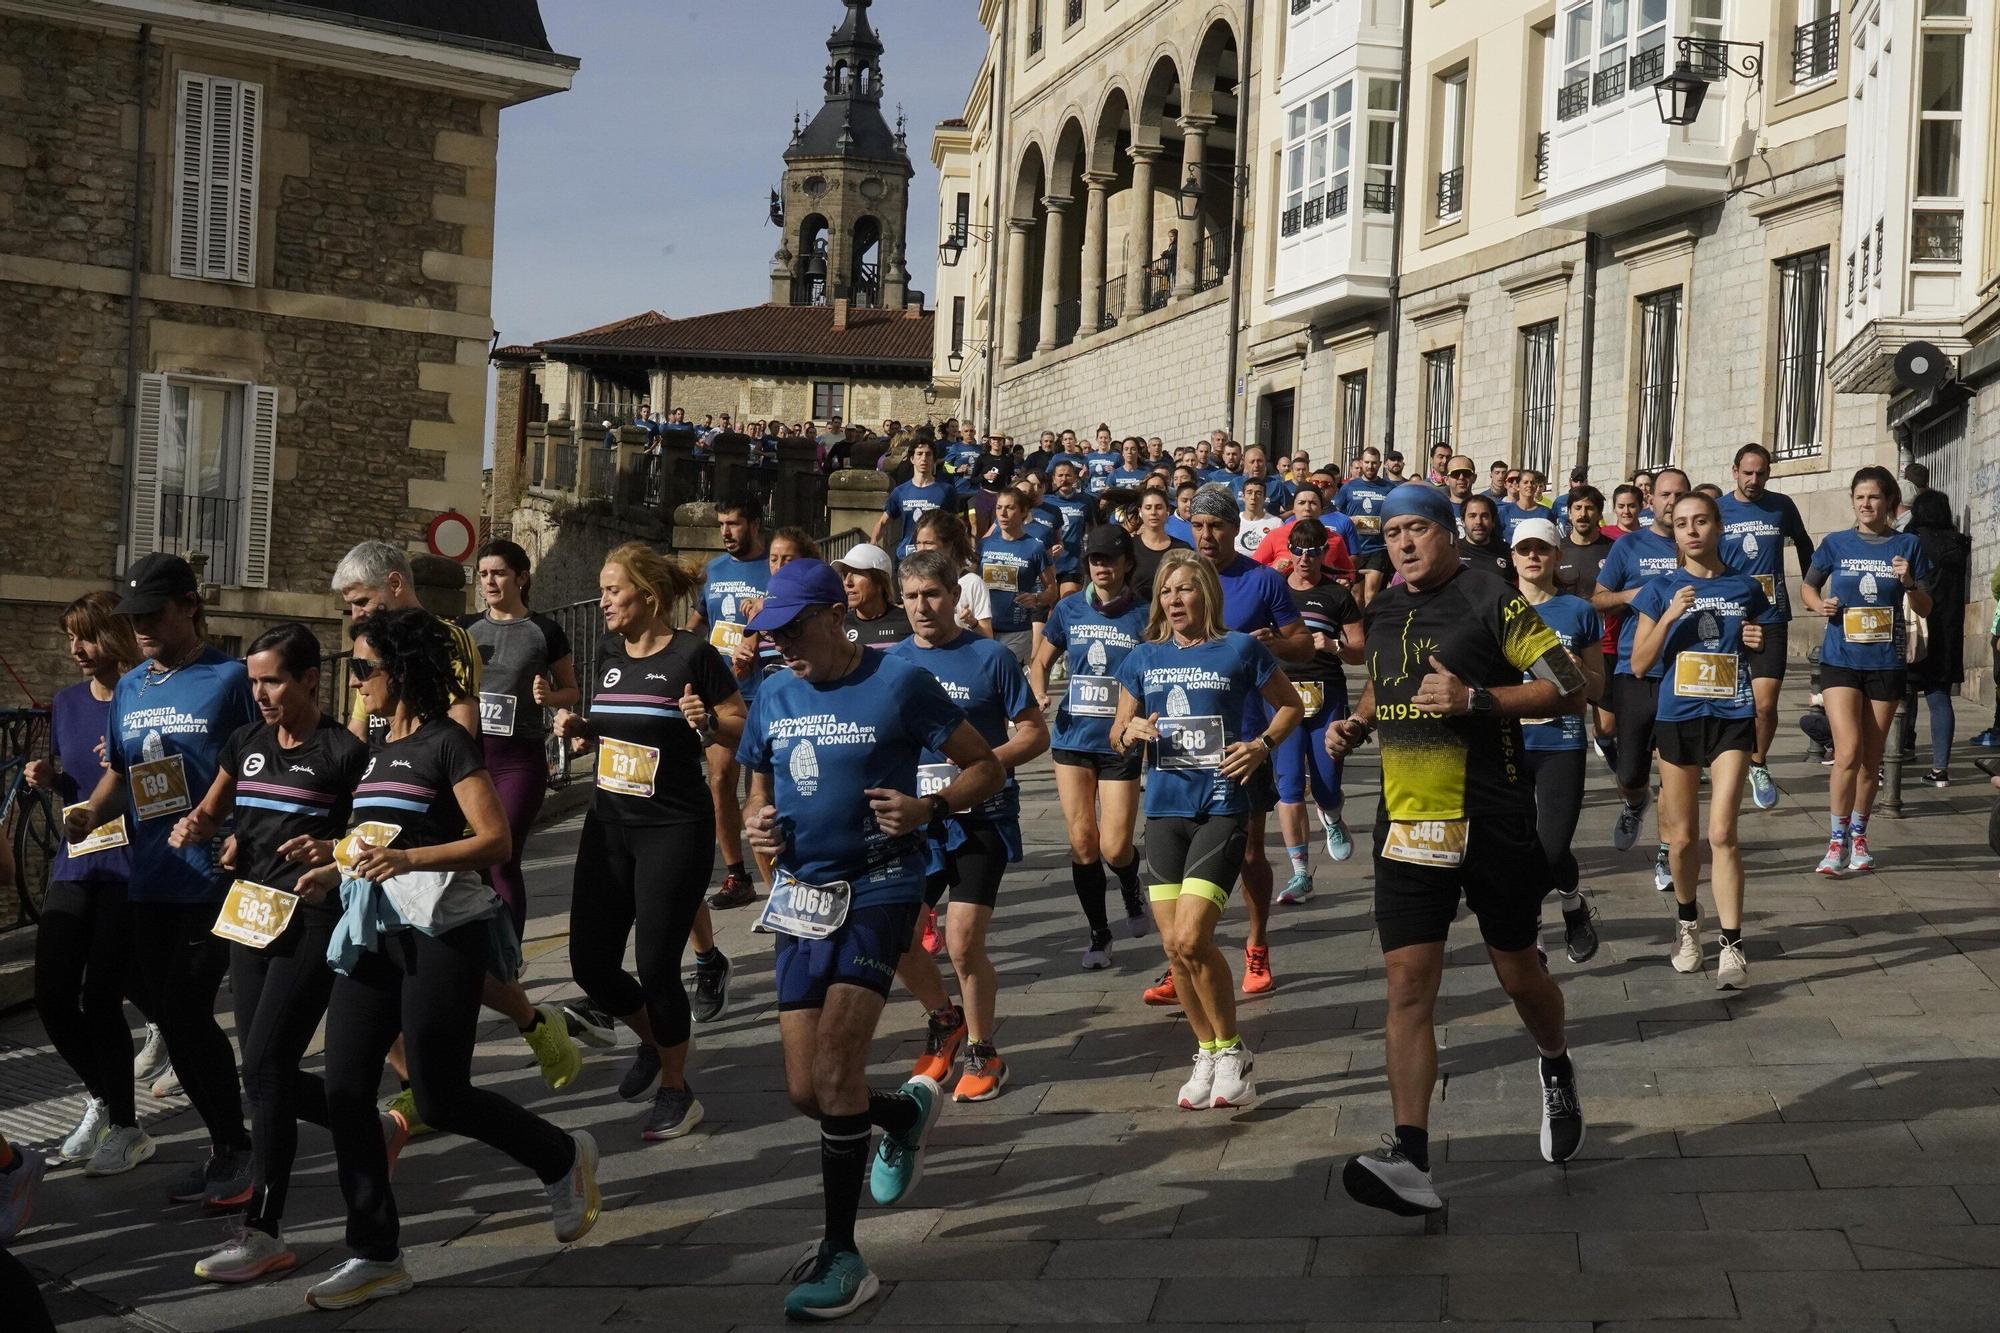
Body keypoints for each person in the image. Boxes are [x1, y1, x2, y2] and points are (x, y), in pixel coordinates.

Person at [299, 608, 599, 1310]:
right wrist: (335, 865)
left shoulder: (447, 743)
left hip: (444, 932)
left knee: (440, 1095)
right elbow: (368, 838)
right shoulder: (375, 750)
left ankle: (560, 1155)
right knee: (344, 1088)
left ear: (400, 671)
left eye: (365, 667)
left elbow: (494, 841)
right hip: (375, 931)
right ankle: (375, 1252)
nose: (358, 681)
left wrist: (407, 856)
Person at [737, 560, 1004, 1320]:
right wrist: (758, 824)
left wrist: (932, 806)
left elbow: (985, 765)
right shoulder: (775, 690)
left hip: (881, 887)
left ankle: (844, 1255)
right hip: (800, 897)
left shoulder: (900, 683)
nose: (780, 644)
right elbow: (758, 782)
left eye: (792, 628)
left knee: (834, 1064)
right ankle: (902, 1115)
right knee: (804, 1089)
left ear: (833, 614)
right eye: (770, 633)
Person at [1329, 484, 1588, 1216]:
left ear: (1446, 531)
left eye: (1415, 528)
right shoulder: (1382, 607)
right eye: (1392, 533)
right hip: (1407, 827)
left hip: (1492, 820)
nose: (1403, 543)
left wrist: (1480, 700)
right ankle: (1411, 1157)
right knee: (1408, 989)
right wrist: (1356, 723)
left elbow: (1570, 686)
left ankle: (1555, 1062)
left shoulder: (1490, 596)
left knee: (1517, 975)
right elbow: (1390, 684)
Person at [332, 541, 579, 1119]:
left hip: (434, 797)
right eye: (348, 608)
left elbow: (464, 719)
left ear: (395, 584)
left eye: (362, 602)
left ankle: (529, 1021)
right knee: (372, 944)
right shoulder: (364, 649)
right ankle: (418, 1080)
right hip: (379, 799)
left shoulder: (450, 637)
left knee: (440, 928)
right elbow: (356, 723)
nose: (355, 617)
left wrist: (450, 805)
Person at [170, 624, 371, 1282]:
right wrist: (206, 831)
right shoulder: (247, 742)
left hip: (311, 919)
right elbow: (215, 812)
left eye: (273, 680)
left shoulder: (343, 751)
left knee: (262, 1063)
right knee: (264, 1075)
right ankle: (368, 1124)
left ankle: (263, 1229)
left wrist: (335, 855)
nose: (260, 693)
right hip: (250, 914)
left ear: (311, 677)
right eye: (254, 681)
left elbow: (370, 836)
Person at [63, 554, 257, 1207]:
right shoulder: (132, 687)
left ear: (189, 606)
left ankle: (238, 1147)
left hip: (212, 876)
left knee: (185, 1009)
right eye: (133, 617)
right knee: (177, 1021)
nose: (141, 626)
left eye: (153, 613)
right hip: (149, 875)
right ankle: (227, 1145)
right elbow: (122, 773)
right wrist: (92, 808)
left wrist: (239, 834)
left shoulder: (230, 679)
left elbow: (261, 766)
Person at [553, 544, 746, 1140]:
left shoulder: (694, 654)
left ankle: (676, 1089)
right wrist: (581, 728)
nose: (604, 601)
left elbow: (739, 721)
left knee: (656, 964)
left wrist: (705, 722)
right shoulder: (610, 653)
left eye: (613, 591)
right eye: (603, 590)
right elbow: (616, 727)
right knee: (589, 963)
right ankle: (652, 1038)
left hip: (673, 828)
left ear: (648, 596)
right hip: (608, 826)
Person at [1111, 551, 1302, 1109]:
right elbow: (1117, 733)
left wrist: (1261, 745)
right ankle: (1208, 1050)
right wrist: (1133, 730)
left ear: (1207, 597)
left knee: (1194, 936)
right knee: (1174, 947)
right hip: (1165, 810)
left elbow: (1289, 708)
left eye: (1186, 590)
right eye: (1167, 592)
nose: (1174, 601)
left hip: (1221, 804)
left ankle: (1234, 1049)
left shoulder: (1240, 648)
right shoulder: (1144, 657)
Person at [888, 552, 1048, 1101]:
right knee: (899, 934)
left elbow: (1033, 733)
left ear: (955, 595)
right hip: (917, 820)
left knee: (961, 943)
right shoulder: (891, 662)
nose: (921, 607)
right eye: (910, 596)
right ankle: (943, 1020)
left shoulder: (990, 657)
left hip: (981, 816)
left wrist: (980, 767)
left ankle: (983, 1051)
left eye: (931, 594)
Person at [30, 593, 158, 1176]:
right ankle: (104, 1098)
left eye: (85, 636)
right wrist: (51, 778)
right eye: (69, 637)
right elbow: (73, 785)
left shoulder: (147, 696)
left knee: (102, 996)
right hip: (77, 860)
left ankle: (128, 1129)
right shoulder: (65, 702)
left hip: (133, 866)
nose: (75, 650)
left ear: (116, 635)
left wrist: (135, 766)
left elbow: (173, 788)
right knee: (53, 994)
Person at [1629, 491, 1770, 988]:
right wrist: (1669, 617)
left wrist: (1756, 640)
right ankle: (1689, 925)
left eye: (1701, 521)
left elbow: (1757, 639)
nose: (1691, 530)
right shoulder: (1659, 587)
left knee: (1722, 832)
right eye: (1682, 522)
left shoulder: (1745, 586)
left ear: (1718, 527)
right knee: (1683, 837)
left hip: (1731, 714)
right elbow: (1641, 664)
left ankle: (1733, 945)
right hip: (1678, 717)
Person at [1182, 491, 1313, 1001]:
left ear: (1236, 527)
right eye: (1198, 525)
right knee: (1182, 852)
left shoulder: (1263, 580)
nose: (1207, 536)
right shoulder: (1179, 579)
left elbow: (1301, 641)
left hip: (1244, 739)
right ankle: (1186, 953)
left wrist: (1268, 643)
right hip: (1183, 737)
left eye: (1216, 525)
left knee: (1249, 852)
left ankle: (1257, 944)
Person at [1800, 467, 1934, 875]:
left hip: (1886, 663)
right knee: (1847, 751)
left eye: (1874, 497)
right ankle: (1835, 840)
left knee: (1871, 759)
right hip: (1840, 659)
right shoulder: (1836, 544)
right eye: (1859, 496)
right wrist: (1816, 604)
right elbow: (1809, 586)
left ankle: (1859, 835)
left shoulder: (1908, 545)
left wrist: (1909, 582)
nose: (1865, 504)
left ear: (1889, 502)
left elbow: (1927, 607)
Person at [1031, 525, 1152, 968]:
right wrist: (1040, 693)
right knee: (1083, 843)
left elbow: (1153, 673)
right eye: (1094, 560)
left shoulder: (1144, 614)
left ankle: (1129, 883)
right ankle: (1099, 935)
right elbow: (1040, 661)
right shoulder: (1067, 610)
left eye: (1109, 560)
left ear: (1126, 564)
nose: (1101, 568)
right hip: (1071, 739)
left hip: (1119, 742)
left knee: (1115, 847)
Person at [462, 540, 580, 934]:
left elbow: (572, 690)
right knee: (470, 861)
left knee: (502, 855)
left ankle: (510, 956)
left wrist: (550, 697)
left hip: (518, 761)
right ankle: (480, 945)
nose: (489, 582)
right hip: (470, 761)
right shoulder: (466, 630)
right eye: (483, 574)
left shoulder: (544, 630)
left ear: (522, 577)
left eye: (498, 573)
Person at [1591, 468, 1691, 894]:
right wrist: (1632, 596)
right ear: (1652, 500)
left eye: (1680, 495)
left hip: (1682, 674)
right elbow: (1597, 600)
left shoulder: (1700, 548)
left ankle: (1668, 853)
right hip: (1634, 669)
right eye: (1666, 495)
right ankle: (1635, 802)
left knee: (1672, 773)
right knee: (1632, 771)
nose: (1672, 502)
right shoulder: (1629, 546)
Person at [1510, 520, 1604, 964]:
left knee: (1551, 844)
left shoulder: (1578, 611)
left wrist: (1575, 671)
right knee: (1519, 845)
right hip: (1509, 740)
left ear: (1556, 556)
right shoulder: (1498, 608)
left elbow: (1599, 688)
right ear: (1512, 557)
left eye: (1541, 549)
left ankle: (1568, 906)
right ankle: (1539, 932)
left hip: (1560, 741)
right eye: (1524, 549)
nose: (1533, 556)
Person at [1718, 444, 1816, 810]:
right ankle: (1720, 760)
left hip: (1771, 614)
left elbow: (1805, 545)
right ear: (1734, 471)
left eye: (1760, 473)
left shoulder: (1782, 506)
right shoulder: (1718, 510)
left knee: (1765, 704)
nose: (1754, 480)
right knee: (1722, 698)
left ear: (1769, 474)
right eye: (1747, 472)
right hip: (1728, 615)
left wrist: (1811, 587)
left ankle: (1758, 763)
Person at [1271, 519, 1364, 905]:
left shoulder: (1337, 595)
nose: (1304, 559)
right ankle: (1298, 875)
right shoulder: (1273, 591)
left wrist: (1333, 646)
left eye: (1313, 552)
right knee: (1289, 786)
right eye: (1297, 550)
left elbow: (1360, 651)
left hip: (1326, 695)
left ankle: (1332, 815)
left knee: (1325, 784)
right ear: (1286, 551)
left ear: (1325, 554)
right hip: (1282, 697)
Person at [688, 494, 771, 915]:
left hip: (765, 692)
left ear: (754, 524)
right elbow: (700, 621)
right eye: (721, 524)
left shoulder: (776, 565)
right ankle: (736, 874)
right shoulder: (714, 571)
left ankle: (778, 877)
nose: (725, 532)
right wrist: (681, 651)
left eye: (734, 523)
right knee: (719, 779)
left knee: (762, 789)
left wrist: (758, 639)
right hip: (721, 693)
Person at [1904, 489, 1971, 785]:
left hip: (1916, 627)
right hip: (1948, 629)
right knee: (1940, 696)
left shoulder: (1913, 541)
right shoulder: (1959, 545)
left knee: (1902, 694)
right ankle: (1940, 768)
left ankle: (1898, 752)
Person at [978, 486, 1054, 665]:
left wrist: (1036, 599)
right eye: (999, 507)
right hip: (983, 628)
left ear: (1023, 512)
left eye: (1009, 508)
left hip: (1017, 632)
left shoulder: (1035, 548)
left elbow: (1052, 590)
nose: (1002, 513)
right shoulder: (984, 545)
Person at [913, 509, 994, 638]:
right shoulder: (914, 581)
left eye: (928, 543)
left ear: (949, 545)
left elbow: (988, 637)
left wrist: (972, 623)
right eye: (918, 543)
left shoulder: (972, 583)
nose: (921, 550)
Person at [875, 440, 954, 559]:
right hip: (905, 557)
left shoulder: (946, 490)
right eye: (919, 454)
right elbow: (883, 522)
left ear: (933, 459)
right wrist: (872, 544)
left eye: (928, 454)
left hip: (935, 559)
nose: (924, 458)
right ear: (912, 459)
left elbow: (955, 526)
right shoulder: (900, 491)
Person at [1336, 446, 1396, 603]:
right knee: (1356, 596)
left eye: (1374, 463)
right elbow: (1337, 514)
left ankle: (1371, 627)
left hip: (1378, 547)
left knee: (1371, 595)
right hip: (1354, 548)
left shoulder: (1389, 488)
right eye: (1367, 462)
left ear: (1380, 464)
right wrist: (1350, 521)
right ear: (1361, 463)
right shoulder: (1348, 487)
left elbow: (1395, 515)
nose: (1370, 466)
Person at [835, 543, 911, 649]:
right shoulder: (838, 627)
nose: (847, 582)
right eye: (844, 575)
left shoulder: (910, 623)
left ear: (880, 581)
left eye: (856, 573)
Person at [1133, 485, 1192, 601]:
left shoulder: (1183, 549)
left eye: (1159, 507)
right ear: (1140, 512)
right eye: (1148, 507)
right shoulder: (1129, 547)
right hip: (1136, 615)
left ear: (1167, 511)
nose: (1153, 512)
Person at [1457, 495, 1514, 581]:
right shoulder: (1452, 552)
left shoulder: (1508, 553)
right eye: (1472, 516)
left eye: (1484, 516)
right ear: (1463, 521)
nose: (1478, 522)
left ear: (1493, 521)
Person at [1235, 478, 1284, 557]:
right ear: (1243, 497)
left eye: (1258, 493)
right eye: (1249, 493)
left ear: (1264, 498)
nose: (1253, 497)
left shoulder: (1276, 523)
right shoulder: (1234, 520)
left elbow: (1281, 553)